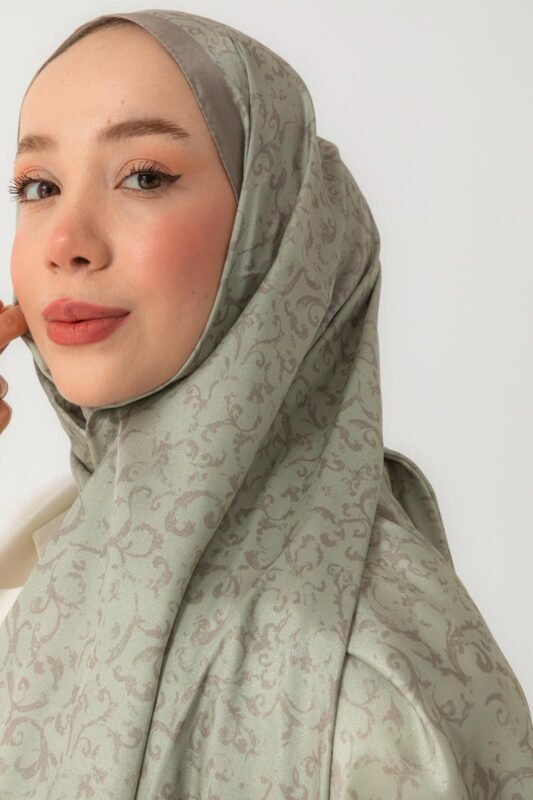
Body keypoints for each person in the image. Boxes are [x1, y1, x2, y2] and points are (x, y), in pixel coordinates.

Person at [0, 9, 531, 799]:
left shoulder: (359, 693)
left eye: (144, 176)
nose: (63, 242)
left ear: (276, 231)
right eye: (38, 187)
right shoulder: (56, 556)